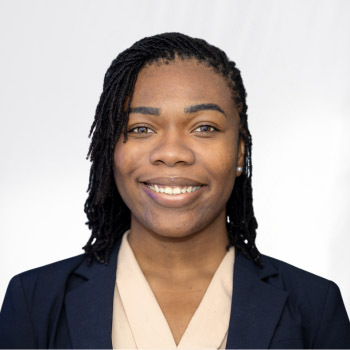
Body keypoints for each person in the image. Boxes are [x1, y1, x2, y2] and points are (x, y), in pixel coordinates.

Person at [0, 32, 349, 349]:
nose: (171, 152)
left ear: (240, 151)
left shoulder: (314, 305)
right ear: (111, 150)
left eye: (204, 127)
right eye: (140, 128)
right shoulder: (34, 300)